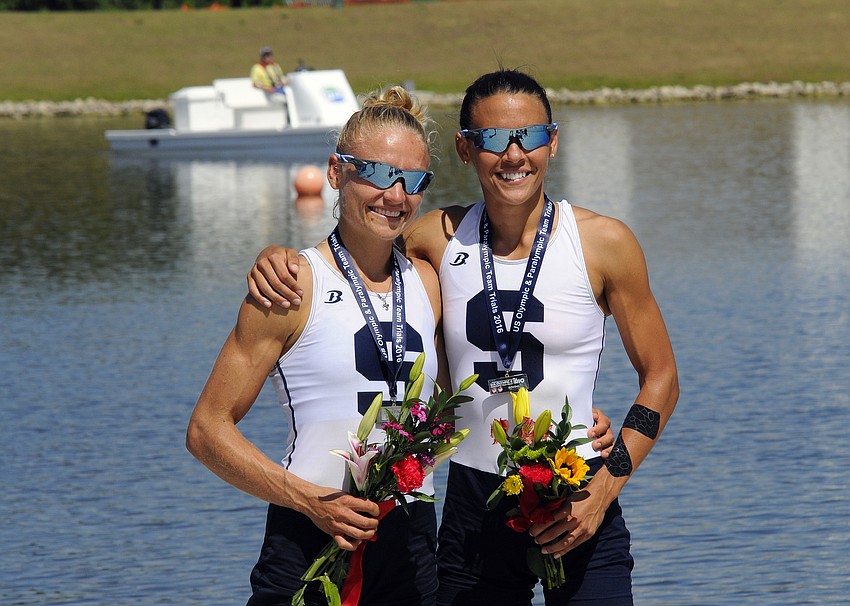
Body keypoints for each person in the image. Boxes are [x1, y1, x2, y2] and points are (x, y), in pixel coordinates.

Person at [247, 69, 666, 606]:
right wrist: (277, 257)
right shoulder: (434, 239)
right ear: (466, 149)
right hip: (474, 515)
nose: (514, 154)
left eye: (531, 136)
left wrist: (607, 484)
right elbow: (355, 247)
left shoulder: (605, 243)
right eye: (493, 138)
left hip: (579, 496)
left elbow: (661, 377)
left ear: (554, 142)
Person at [187, 86, 445, 605]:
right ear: (335, 172)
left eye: (412, 179)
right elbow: (206, 430)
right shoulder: (290, 285)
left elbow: (470, 393)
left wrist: (582, 429)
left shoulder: (429, 281)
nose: (396, 196)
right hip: (309, 535)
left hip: (410, 540)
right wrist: (310, 500)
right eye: (377, 173)